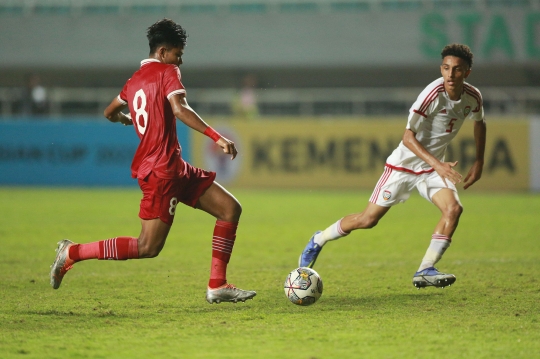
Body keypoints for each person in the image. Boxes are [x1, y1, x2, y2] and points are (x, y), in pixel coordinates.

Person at [49, 18, 256, 304]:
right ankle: (72, 253)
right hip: (161, 172)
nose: (180, 60)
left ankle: (217, 285)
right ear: (162, 52)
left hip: (175, 168)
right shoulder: (167, 71)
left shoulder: (134, 81)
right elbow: (179, 109)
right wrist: (216, 136)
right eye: (177, 53)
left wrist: (124, 119)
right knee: (147, 246)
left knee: (230, 209)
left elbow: (109, 111)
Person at [299, 43, 486, 289]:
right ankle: (319, 238)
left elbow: (479, 123)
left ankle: (425, 270)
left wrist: (479, 161)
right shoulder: (431, 94)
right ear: (441, 69)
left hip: (431, 169)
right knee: (368, 220)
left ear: (467, 72)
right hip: (403, 166)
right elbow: (408, 138)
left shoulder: (473, 97)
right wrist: (438, 164)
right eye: (446, 68)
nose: (451, 75)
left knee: (453, 209)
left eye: (457, 70)